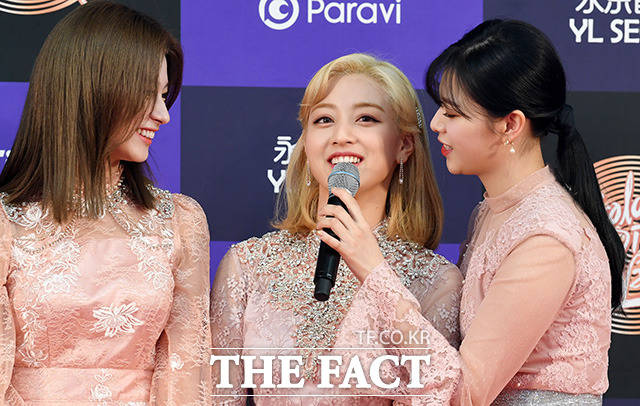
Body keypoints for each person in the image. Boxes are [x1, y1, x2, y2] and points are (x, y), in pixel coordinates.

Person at [360, 19, 624, 404]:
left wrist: (373, 270)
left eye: (453, 114)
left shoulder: (545, 237)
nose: (435, 124)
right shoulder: (494, 210)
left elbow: (461, 393)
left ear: (510, 125)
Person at [210, 53, 462, 404]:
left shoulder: (436, 281)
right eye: (324, 119)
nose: (341, 136)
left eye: (366, 119)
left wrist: (376, 274)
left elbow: (440, 391)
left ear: (404, 145)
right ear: (306, 142)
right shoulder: (247, 265)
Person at [0, 2, 211, 403]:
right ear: (91, 89)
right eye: (147, 94)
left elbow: (185, 374)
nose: (163, 115)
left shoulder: (179, 222)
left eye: (164, 95)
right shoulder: (6, 222)